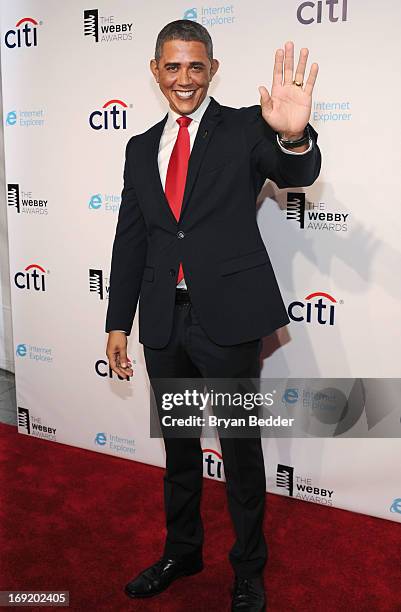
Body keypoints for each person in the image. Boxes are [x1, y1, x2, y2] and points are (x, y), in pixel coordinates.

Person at [105, 19, 321, 612]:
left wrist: (295, 137)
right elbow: (133, 239)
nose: (184, 79)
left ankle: (249, 569)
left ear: (212, 70)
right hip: (164, 323)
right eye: (172, 67)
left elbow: (296, 173)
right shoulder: (139, 146)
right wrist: (117, 320)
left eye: (196, 66)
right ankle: (183, 551)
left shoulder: (248, 127)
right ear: (155, 71)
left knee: (240, 449)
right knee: (177, 446)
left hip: (226, 321)